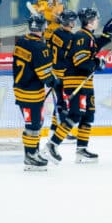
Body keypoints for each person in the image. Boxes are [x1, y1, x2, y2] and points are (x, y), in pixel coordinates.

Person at [42, 8, 112, 164]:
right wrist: (97, 62)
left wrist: (107, 36)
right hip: (76, 81)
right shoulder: (82, 36)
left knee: (88, 115)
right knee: (75, 114)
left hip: (85, 82)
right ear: (89, 21)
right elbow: (80, 61)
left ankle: (81, 150)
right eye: (96, 18)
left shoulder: (86, 36)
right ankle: (52, 145)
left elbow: (92, 49)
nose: (98, 21)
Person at [12, 14, 55, 171]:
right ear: (43, 27)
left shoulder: (21, 42)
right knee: (33, 125)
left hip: (20, 90)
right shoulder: (40, 47)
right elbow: (44, 74)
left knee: (34, 123)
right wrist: (54, 81)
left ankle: (33, 152)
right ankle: (30, 156)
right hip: (31, 93)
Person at [46, 9, 76, 139]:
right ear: (69, 22)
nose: (74, 22)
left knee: (60, 101)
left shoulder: (56, 32)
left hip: (54, 72)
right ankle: (62, 131)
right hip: (64, 74)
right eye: (73, 20)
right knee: (64, 103)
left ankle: (54, 129)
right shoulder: (70, 37)